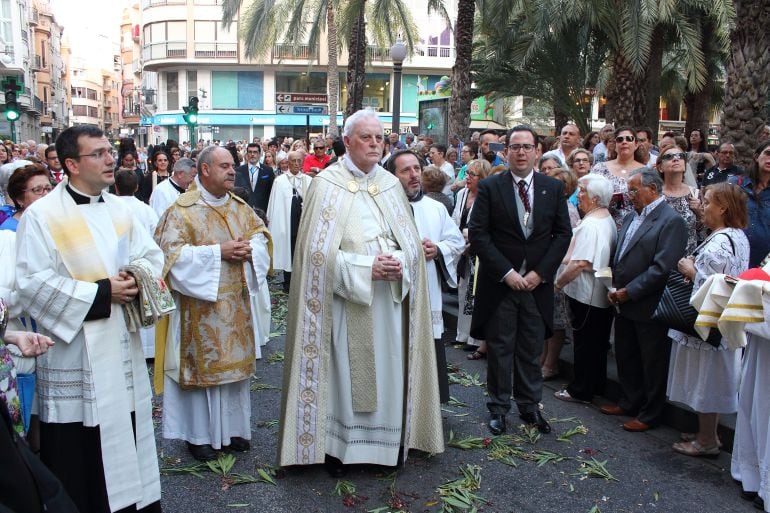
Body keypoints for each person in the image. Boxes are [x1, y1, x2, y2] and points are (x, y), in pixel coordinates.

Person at [277, 110, 443, 474]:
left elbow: (412, 245)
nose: (373, 144)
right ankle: (339, 449)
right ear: (347, 141)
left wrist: (401, 260)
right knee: (342, 376)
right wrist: (367, 268)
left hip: (390, 305)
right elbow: (313, 257)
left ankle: (386, 448)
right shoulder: (326, 185)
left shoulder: (389, 184)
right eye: (365, 137)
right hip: (345, 305)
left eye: (379, 138)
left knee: (389, 370)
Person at [15, 125, 164, 513]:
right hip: (74, 355)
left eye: (108, 150)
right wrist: (101, 293)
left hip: (120, 345)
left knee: (127, 433)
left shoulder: (122, 209)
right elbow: (31, 282)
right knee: (80, 456)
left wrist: (135, 277)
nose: (110, 158)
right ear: (70, 164)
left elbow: (151, 255)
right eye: (97, 153)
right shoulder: (42, 217)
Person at [155, 145, 272, 462]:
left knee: (234, 373)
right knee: (202, 372)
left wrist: (252, 250)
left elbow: (261, 236)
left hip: (236, 308)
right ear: (204, 170)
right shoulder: (181, 211)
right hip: (199, 309)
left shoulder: (239, 207)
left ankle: (234, 430)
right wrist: (216, 253)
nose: (232, 171)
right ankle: (200, 436)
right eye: (224, 165)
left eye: (232, 165)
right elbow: (167, 258)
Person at [469, 125, 572, 436]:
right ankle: (498, 409)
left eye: (528, 147)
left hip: (536, 285)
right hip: (501, 284)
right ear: (506, 151)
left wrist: (540, 273)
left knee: (530, 348)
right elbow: (479, 235)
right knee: (500, 349)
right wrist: (508, 273)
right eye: (515, 147)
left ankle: (529, 407)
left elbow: (562, 234)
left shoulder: (551, 189)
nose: (522, 152)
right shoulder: (490, 187)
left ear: (537, 151)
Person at [667, 183, 749, 458]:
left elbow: (721, 286)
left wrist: (691, 271)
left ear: (723, 207)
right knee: (707, 378)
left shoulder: (723, 240)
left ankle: (707, 441)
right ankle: (707, 433)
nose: (703, 206)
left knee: (706, 380)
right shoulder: (736, 235)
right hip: (718, 323)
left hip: (708, 322)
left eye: (708, 201)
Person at [602, 169, 688, 432]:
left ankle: (650, 413)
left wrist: (630, 290)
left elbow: (662, 268)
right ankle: (629, 400)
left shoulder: (671, 221)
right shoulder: (631, 216)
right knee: (626, 354)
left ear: (652, 189)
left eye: (634, 190)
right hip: (623, 299)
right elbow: (622, 253)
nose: (629, 196)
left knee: (652, 361)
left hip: (648, 303)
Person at [388, 150, 464, 403]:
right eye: (405, 170)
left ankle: (428, 406)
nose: (413, 175)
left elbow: (455, 241)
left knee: (429, 346)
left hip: (428, 290)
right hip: (393, 293)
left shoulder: (435, 208)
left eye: (416, 169)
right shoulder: (384, 208)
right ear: (392, 175)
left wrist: (438, 249)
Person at [553, 174, 616, 403]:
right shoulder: (603, 219)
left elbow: (580, 263)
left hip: (587, 294)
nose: (578, 196)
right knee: (595, 344)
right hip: (597, 293)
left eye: (582, 192)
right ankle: (594, 385)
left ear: (595, 198)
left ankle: (580, 390)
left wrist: (558, 284)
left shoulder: (592, 224)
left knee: (586, 344)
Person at [114, 169, 161, 360]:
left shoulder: (113, 208)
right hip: (142, 266)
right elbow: (156, 235)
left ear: (115, 187)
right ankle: (149, 349)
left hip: (119, 269)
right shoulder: (146, 210)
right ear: (136, 187)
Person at [539, 168, 580, 381]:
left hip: (559, 267)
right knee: (546, 316)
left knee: (556, 320)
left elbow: (569, 242)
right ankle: (543, 357)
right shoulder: (548, 205)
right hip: (545, 265)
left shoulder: (568, 209)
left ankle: (550, 363)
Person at [452, 159, 493, 359]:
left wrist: (472, 240)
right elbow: (454, 220)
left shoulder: (487, 197)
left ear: (483, 178)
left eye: (472, 175)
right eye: (467, 173)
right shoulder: (461, 194)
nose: (467, 178)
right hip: (462, 249)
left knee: (474, 294)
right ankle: (462, 334)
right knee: (463, 290)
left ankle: (475, 339)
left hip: (478, 251)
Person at [266, 150, 312, 294]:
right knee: (288, 250)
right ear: (287, 162)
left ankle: (301, 282)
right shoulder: (280, 181)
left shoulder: (308, 180)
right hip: (287, 223)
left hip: (302, 222)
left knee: (302, 251)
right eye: (293, 161)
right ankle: (288, 282)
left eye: (299, 160)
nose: (296, 164)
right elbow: (274, 205)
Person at [590, 126, 647, 228]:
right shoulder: (600, 169)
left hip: (636, 227)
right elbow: (589, 196)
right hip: (604, 225)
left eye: (629, 139)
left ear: (636, 144)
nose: (624, 142)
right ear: (615, 145)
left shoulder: (646, 171)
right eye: (620, 139)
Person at [729, 140, 770, 267]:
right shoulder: (736, 183)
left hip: (762, 263)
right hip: (731, 255)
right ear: (756, 157)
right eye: (768, 153)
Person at [658, 145, 703, 255]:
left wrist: (699, 213)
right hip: (660, 258)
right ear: (660, 167)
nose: (675, 158)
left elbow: (702, 230)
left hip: (687, 261)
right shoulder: (655, 195)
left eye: (680, 156)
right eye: (669, 157)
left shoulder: (695, 193)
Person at [1, 164, 52, 232]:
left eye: (48, 189)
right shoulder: (9, 231)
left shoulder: (54, 219)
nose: (46, 194)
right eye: (38, 190)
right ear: (19, 199)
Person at [234, 142, 275, 211]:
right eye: (250, 152)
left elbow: (272, 191)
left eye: (255, 152)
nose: (252, 154)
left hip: (263, 209)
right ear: (247, 154)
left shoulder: (268, 171)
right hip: (244, 209)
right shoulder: (239, 171)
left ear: (259, 154)